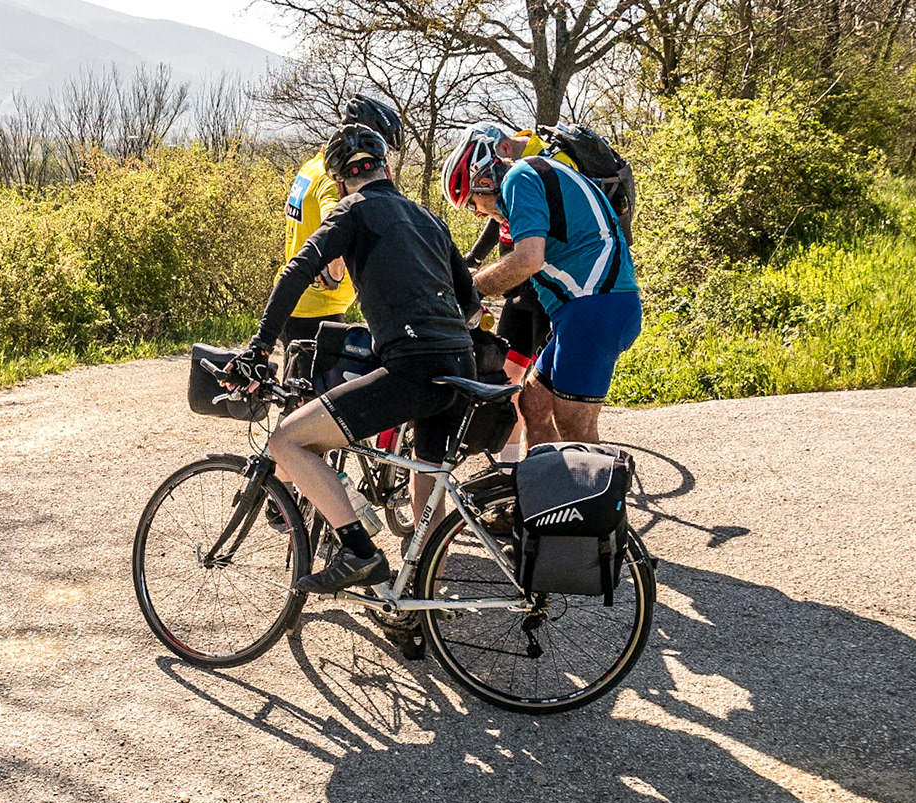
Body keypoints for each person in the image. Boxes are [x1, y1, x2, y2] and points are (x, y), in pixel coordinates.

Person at [238, 123, 480, 594]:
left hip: (413, 369)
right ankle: (417, 607)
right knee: (427, 488)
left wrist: (260, 347)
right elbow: (469, 306)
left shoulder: (350, 211)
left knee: (287, 440)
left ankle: (359, 551)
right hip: (461, 366)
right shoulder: (428, 217)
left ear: (340, 178)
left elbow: (297, 271)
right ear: (386, 167)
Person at [441, 122, 640, 446]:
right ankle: (546, 491)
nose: (476, 214)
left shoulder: (520, 177)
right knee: (533, 404)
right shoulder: (532, 175)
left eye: (471, 203)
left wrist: (472, 288)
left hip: (595, 304)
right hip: (581, 308)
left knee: (573, 424)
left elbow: (527, 259)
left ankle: (592, 495)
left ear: (485, 181)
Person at [271, 95, 406, 362]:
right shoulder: (334, 179)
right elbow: (333, 219)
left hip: (303, 303)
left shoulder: (312, 166)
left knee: (306, 396)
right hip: (317, 308)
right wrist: (334, 273)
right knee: (318, 400)